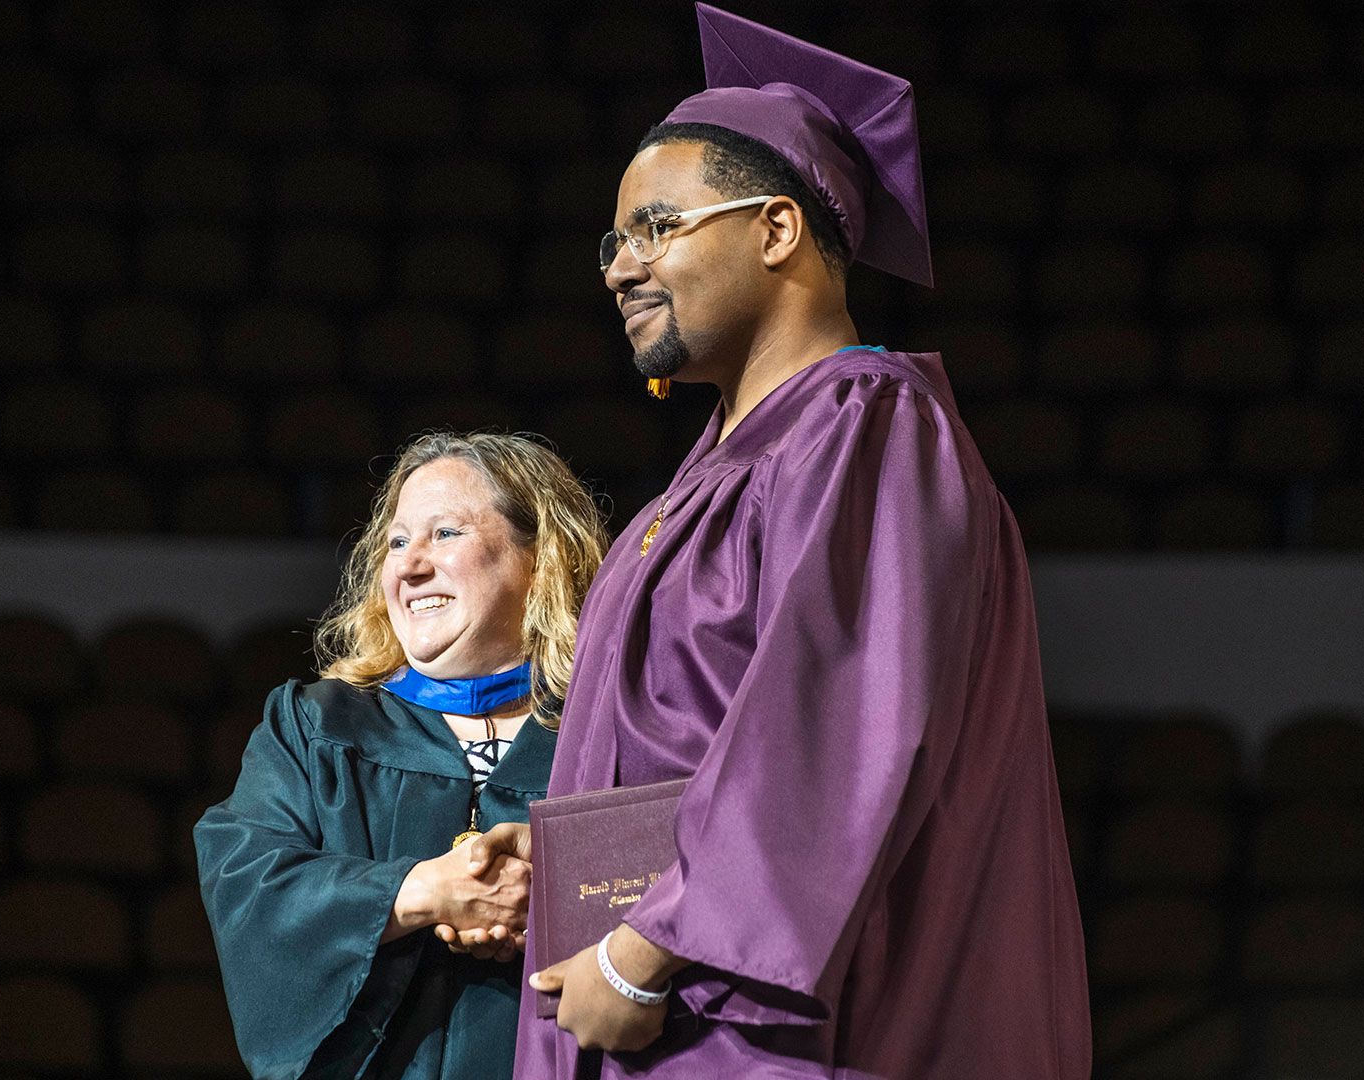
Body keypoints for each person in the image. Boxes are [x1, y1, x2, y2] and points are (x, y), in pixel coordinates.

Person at [465, 6, 1093, 1078]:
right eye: (613, 242)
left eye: (655, 227)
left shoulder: (864, 428)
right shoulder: (717, 472)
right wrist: (581, 864)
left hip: (758, 1027)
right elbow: (694, 741)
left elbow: (831, 732)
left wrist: (640, 953)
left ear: (777, 230)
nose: (620, 267)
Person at [195, 431, 609, 1080]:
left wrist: (551, 897)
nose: (408, 566)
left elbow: (681, 883)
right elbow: (248, 882)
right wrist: (419, 891)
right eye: (395, 541)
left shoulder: (604, 736)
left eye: (444, 534)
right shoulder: (318, 727)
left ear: (541, 558)